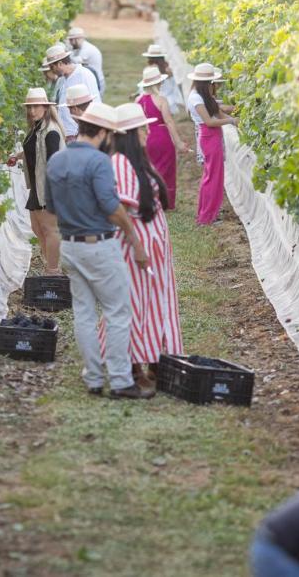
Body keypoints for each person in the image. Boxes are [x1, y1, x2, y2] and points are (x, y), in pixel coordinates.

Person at [45, 102, 154, 400]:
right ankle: (120, 381)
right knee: (118, 313)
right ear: (104, 132)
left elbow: (52, 207)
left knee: (83, 313)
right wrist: (132, 236)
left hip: (69, 245)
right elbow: (111, 206)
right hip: (98, 245)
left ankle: (93, 378)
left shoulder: (56, 161)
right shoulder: (98, 162)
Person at [103, 103, 184, 388]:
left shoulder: (137, 161)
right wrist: (138, 245)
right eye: (144, 127)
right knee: (135, 304)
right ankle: (132, 366)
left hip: (152, 245)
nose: (149, 130)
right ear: (130, 133)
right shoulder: (121, 163)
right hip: (134, 246)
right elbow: (118, 208)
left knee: (153, 303)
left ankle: (155, 360)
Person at [9, 88, 65, 274]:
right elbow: (35, 150)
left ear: (45, 107)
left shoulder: (51, 132)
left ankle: (53, 271)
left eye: (36, 106)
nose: (32, 110)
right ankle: (51, 264)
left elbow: (55, 163)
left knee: (50, 230)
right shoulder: (38, 127)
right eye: (30, 107)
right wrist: (18, 156)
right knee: (37, 228)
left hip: (48, 189)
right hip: (37, 186)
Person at [186, 63, 237, 225]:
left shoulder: (203, 95)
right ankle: (207, 217)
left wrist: (234, 116)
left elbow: (217, 112)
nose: (213, 85)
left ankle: (206, 214)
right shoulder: (196, 98)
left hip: (212, 136)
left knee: (212, 176)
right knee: (212, 178)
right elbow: (209, 122)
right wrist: (231, 121)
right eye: (211, 82)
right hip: (209, 137)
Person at [137, 66, 191, 209]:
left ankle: (151, 197)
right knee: (166, 168)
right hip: (162, 136)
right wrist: (178, 143)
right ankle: (165, 201)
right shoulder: (161, 100)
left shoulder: (139, 100)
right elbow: (168, 121)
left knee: (150, 167)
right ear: (157, 84)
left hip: (147, 136)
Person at [46, 43, 101, 139]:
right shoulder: (61, 80)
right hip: (65, 134)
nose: (51, 71)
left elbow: (94, 105)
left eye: (52, 67)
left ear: (59, 64)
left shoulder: (84, 75)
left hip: (79, 134)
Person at [138, 44, 185, 116]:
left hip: (155, 100)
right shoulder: (167, 70)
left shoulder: (148, 70)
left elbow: (145, 88)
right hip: (170, 100)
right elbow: (173, 88)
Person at [67, 26, 105, 94]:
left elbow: (75, 62)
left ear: (78, 39)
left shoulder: (87, 49)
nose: (70, 43)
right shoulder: (78, 48)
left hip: (96, 81)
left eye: (71, 40)